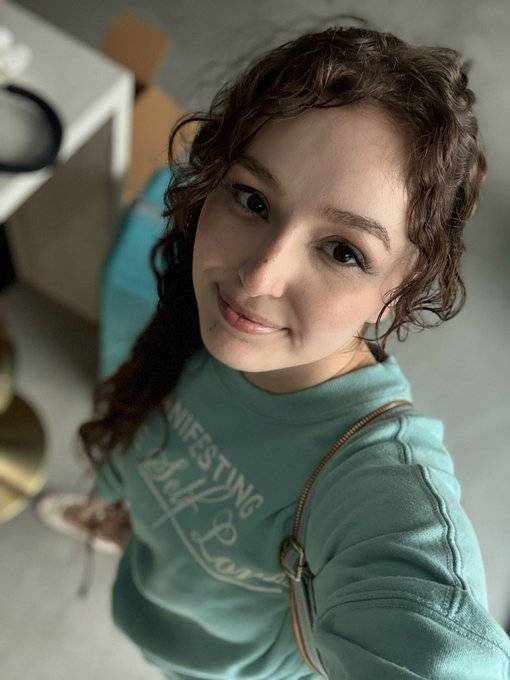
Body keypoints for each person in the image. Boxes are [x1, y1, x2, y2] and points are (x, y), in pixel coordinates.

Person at [68, 14, 510, 679]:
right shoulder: (186, 305)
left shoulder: (368, 481)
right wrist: (122, 500)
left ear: (400, 292)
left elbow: (435, 640)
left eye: (342, 251)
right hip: (150, 608)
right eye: (252, 199)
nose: (257, 278)